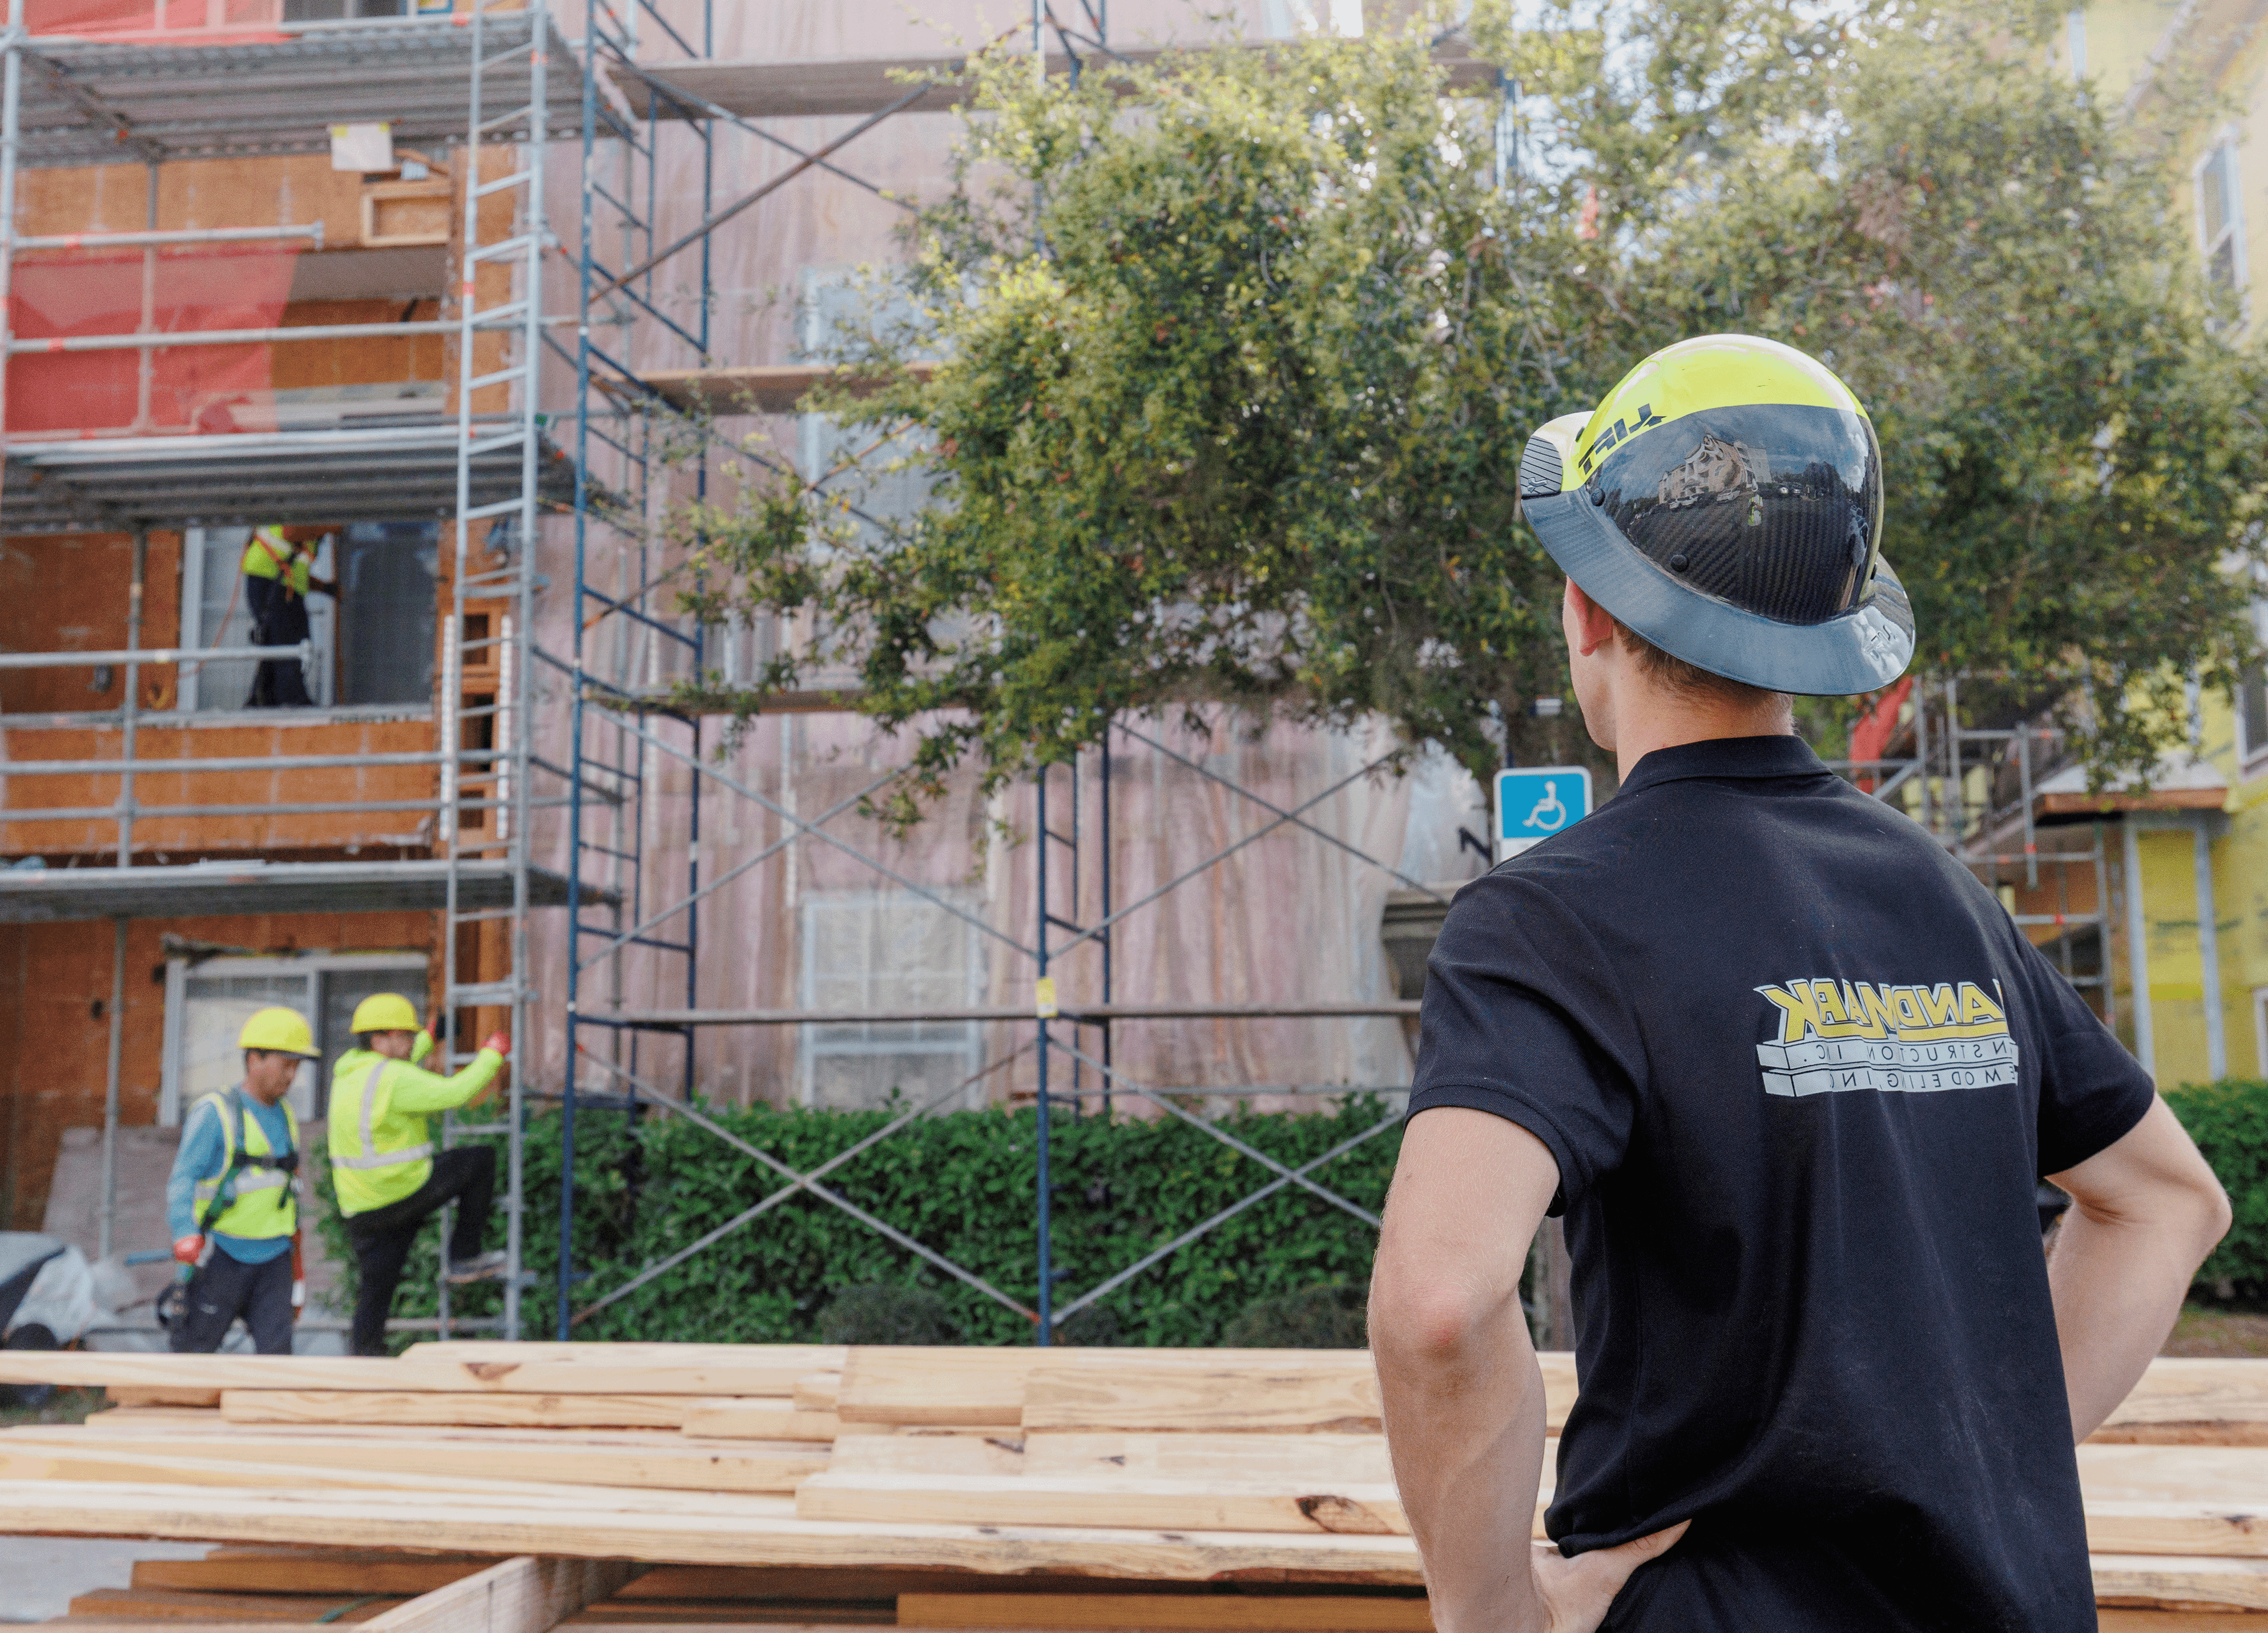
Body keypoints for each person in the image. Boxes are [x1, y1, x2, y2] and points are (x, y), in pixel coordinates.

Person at [1368, 333, 2233, 1633]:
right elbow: (2168, 1197)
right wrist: (1963, 1454)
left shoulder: (1549, 921)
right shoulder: (1946, 900)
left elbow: (1439, 1305)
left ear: (1588, 608)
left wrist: (1497, 1611)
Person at [327, 993, 512, 1356]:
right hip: (402, 1190)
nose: (411, 1043)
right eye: (405, 1036)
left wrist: (432, 1035)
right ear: (381, 1039)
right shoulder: (395, 1078)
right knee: (480, 1160)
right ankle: (464, 1255)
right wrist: (492, 1054)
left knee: (375, 1292)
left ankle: (364, 1364)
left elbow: (402, 1063)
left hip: (362, 1210)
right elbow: (456, 1093)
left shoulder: (349, 1071)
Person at [164, 1007, 318, 1354]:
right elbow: (182, 1178)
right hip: (222, 1255)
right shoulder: (216, 1113)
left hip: (275, 1258)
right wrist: (184, 1232)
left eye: (297, 1066)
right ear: (254, 1060)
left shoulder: (286, 1115)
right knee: (193, 1354)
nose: (292, 1075)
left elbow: (290, 1194)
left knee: (276, 1360)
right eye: (285, 1064)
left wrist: (298, 1273)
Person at [241, 523, 338, 708]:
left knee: (278, 641)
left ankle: (262, 699)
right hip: (268, 579)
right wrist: (328, 526)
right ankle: (293, 699)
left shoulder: (312, 528)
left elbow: (297, 572)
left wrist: (326, 588)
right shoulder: (307, 512)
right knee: (287, 640)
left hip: (281, 584)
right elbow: (290, 531)